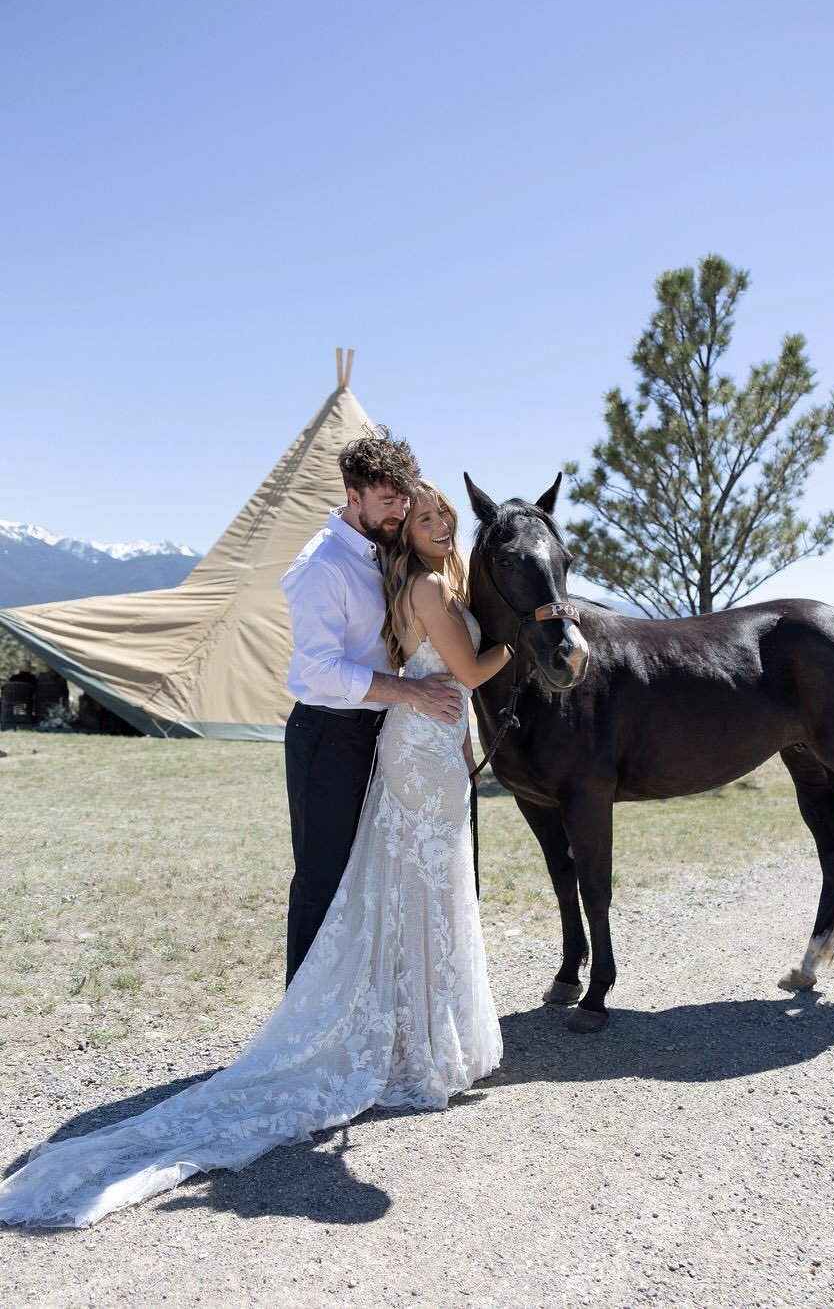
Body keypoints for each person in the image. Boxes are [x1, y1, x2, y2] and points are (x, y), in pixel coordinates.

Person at [0, 481, 511, 1229]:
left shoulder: (401, 575)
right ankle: (371, 1034)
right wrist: (522, 639)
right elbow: (448, 674)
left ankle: (409, 1029)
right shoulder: (377, 575)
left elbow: (439, 681)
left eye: (438, 514)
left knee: (407, 886)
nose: (428, 521)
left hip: (413, 740)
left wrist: (443, 718)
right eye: (416, 511)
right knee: (384, 886)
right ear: (366, 501)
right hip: (380, 737)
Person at [281, 431, 463, 984]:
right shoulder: (321, 566)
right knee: (323, 878)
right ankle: (302, 1024)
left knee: (370, 878)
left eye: (404, 500)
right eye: (388, 501)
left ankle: (354, 1012)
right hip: (327, 737)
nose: (400, 512)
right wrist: (411, 690)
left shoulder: (387, 551)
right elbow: (319, 669)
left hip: (383, 738)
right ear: (352, 496)